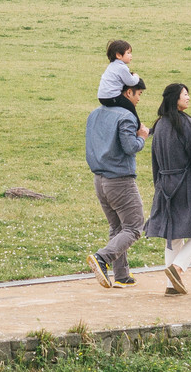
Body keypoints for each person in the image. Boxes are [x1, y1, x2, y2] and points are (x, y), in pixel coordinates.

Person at [144, 83, 191, 296]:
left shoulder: (158, 126)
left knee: (173, 234)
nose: (188, 98)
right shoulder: (190, 126)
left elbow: (154, 162)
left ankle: (171, 287)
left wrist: (158, 185)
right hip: (185, 186)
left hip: (164, 186)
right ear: (175, 98)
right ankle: (177, 268)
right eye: (185, 94)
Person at [84, 78, 149, 288]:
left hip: (99, 180)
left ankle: (121, 275)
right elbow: (130, 147)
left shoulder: (94, 114)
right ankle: (102, 258)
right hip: (120, 180)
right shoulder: (126, 116)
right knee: (134, 226)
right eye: (138, 94)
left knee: (117, 227)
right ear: (128, 92)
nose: (139, 100)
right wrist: (143, 137)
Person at [97, 39, 140, 107]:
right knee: (130, 106)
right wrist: (136, 76)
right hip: (112, 97)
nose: (131, 56)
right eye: (128, 53)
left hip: (102, 97)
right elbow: (131, 82)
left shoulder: (111, 65)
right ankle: (134, 118)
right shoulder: (122, 67)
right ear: (118, 55)